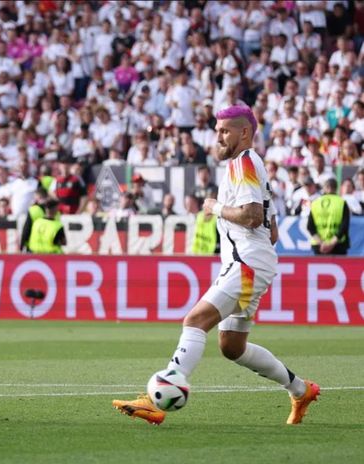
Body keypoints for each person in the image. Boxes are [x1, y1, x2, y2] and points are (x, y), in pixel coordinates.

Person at [113, 106, 319, 425]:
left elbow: (251, 216)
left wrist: (215, 207)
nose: (218, 136)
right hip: (255, 264)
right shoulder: (253, 168)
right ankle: (301, 389)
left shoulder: (244, 163)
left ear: (244, 133)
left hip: (246, 264)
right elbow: (272, 230)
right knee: (232, 347)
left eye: (225, 130)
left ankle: (159, 399)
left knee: (195, 321)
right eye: (217, 129)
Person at [307, 178, 350, 255]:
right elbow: (344, 226)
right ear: (336, 188)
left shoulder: (315, 203)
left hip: (319, 246)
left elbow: (310, 226)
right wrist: (331, 243)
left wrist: (322, 243)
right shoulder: (342, 202)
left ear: (325, 188)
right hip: (338, 246)